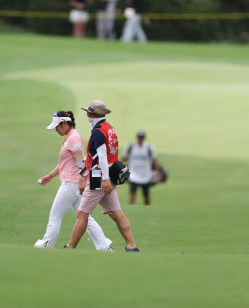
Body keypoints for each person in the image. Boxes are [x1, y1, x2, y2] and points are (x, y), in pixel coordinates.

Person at [65, 100, 140, 252]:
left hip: (99, 177)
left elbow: (102, 157)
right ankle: (132, 246)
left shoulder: (98, 131)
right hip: (110, 176)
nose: (86, 115)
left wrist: (104, 179)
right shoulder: (109, 128)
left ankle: (70, 247)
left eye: (88, 113)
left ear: (92, 114)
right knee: (115, 213)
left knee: (81, 213)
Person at [35, 111, 113, 251]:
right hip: (73, 182)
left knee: (55, 215)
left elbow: (81, 163)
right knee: (84, 216)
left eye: (57, 127)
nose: (56, 131)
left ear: (64, 123)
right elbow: (66, 162)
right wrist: (50, 176)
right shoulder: (70, 137)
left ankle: (47, 244)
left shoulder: (74, 138)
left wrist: (81, 182)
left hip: (72, 183)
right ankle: (103, 246)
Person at [121, 130, 162, 205]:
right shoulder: (131, 147)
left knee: (146, 197)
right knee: (132, 195)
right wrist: (117, 166)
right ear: (137, 138)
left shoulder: (149, 148)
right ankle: (132, 209)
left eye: (142, 138)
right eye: (139, 137)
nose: (140, 139)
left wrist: (158, 174)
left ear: (144, 138)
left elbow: (154, 161)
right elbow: (124, 158)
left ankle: (146, 210)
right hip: (133, 174)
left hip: (145, 175)